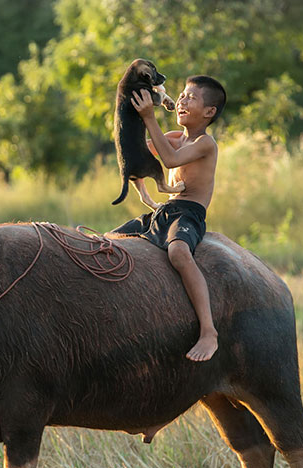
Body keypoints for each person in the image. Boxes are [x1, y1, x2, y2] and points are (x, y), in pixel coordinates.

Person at [111, 75, 226, 361]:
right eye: (182, 95)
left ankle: (208, 331)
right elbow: (138, 152)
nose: (183, 100)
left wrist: (150, 117)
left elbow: (171, 160)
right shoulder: (175, 138)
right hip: (164, 211)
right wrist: (131, 113)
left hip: (189, 213)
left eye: (192, 97)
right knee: (109, 240)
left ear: (209, 112)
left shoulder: (206, 144)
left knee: (179, 252)